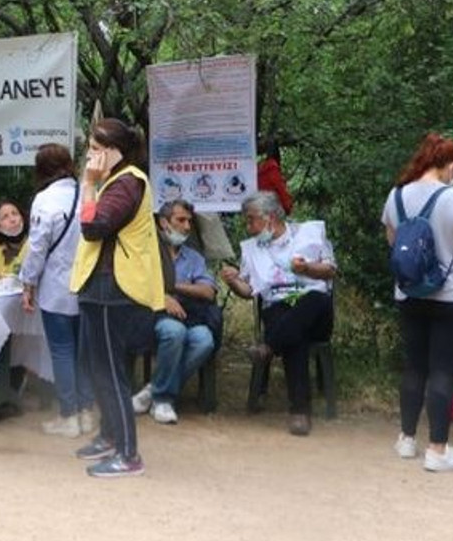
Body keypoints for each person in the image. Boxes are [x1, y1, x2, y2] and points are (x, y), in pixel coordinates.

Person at [381, 132, 453, 472]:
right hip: (451, 294)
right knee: (442, 369)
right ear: (451, 165)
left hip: (409, 293)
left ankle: (406, 439)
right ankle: (438, 450)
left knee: (414, 366)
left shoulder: (396, 195)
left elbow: (393, 242)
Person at [68, 119, 163, 478]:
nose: (89, 155)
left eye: (95, 148)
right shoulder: (114, 181)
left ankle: (128, 454)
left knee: (110, 373)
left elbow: (93, 227)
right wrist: (93, 184)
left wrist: (89, 185)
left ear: (112, 151)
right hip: (99, 287)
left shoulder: (127, 182)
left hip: (116, 289)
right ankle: (109, 437)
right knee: (98, 369)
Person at [221, 190, 336, 436]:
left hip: (316, 311)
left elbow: (329, 272)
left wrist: (307, 268)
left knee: (313, 300)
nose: (248, 226)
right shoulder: (252, 249)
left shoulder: (308, 233)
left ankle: (269, 347)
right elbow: (249, 290)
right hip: (280, 310)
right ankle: (299, 412)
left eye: (251, 219)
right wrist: (232, 281)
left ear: (270, 218)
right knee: (292, 330)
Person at [18, 143, 93, 438]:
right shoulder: (88, 192)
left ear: (41, 169)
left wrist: (28, 283)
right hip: (86, 285)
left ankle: (68, 416)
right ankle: (87, 413)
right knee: (83, 353)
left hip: (56, 289)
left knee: (62, 352)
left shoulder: (44, 201)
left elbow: (37, 248)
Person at [131, 199, 219, 425]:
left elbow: (208, 291)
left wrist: (172, 286)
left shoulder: (194, 257)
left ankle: (153, 389)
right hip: (153, 316)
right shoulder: (146, 252)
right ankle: (163, 399)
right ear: (163, 223)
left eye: (189, 221)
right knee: (174, 332)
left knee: (205, 340)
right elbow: (133, 285)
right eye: (180, 220)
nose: (187, 227)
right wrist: (161, 297)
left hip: (190, 315)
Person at [257, 137, 293, 215]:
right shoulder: (273, 170)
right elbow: (281, 190)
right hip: (272, 209)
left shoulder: (259, 170)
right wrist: (288, 207)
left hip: (259, 207)